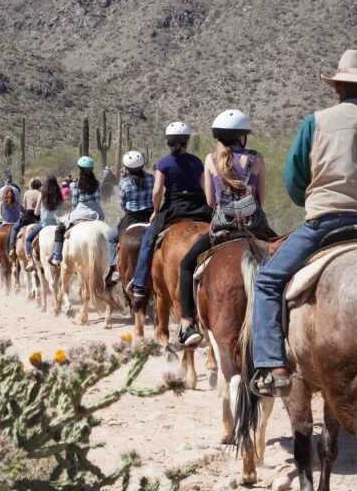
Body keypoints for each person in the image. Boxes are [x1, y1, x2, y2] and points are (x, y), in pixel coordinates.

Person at [250, 49, 357, 398]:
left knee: (268, 281)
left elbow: (293, 178)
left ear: (337, 87)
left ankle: (274, 366)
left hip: (324, 225)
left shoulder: (315, 122)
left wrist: (310, 200)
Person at [177, 110, 275, 347]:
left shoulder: (211, 160)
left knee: (186, 264)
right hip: (255, 229)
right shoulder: (257, 159)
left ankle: (187, 322)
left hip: (223, 231)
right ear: (243, 136)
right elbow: (261, 198)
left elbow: (211, 202)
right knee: (288, 255)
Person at [128, 122, 210, 299]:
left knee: (148, 240)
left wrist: (156, 211)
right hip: (198, 206)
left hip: (173, 207)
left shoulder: (164, 163)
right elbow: (205, 187)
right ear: (187, 141)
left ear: (168, 142)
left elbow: (157, 191)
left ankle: (139, 283)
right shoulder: (196, 161)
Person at [105, 151, 154, 284]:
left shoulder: (124, 182)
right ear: (143, 165)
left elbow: (123, 203)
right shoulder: (151, 178)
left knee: (111, 238)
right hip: (150, 216)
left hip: (131, 218)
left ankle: (115, 269)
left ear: (126, 168)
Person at [49, 156, 105, 265]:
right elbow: (99, 199)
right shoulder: (97, 184)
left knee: (60, 229)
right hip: (96, 211)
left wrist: (75, 213)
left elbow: (74, 204)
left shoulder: (75, 185)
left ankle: (57, 256)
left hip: (80, 210)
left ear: (79, 170)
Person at [25, 176, 63, 268]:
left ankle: (30, 261)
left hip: (44, 223)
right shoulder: (59, 194)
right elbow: (61, 212)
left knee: (28, 239)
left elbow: (36, 212)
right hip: (57, 223)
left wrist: (41, 212)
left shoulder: (42, 194)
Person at [8, 178, 42, 255]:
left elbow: (25, 206)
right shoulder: (40, 193)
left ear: (31, 185)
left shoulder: (27, 193)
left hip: (27, 215)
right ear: (39, 185)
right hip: (38, 216)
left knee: (15, 228)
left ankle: (12, 247)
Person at [0, 186, 22, 260]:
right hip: (16, 223)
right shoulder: (17, 202)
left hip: (5, 223)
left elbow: (1, 214)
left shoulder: (2, 203)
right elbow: (18, 213)